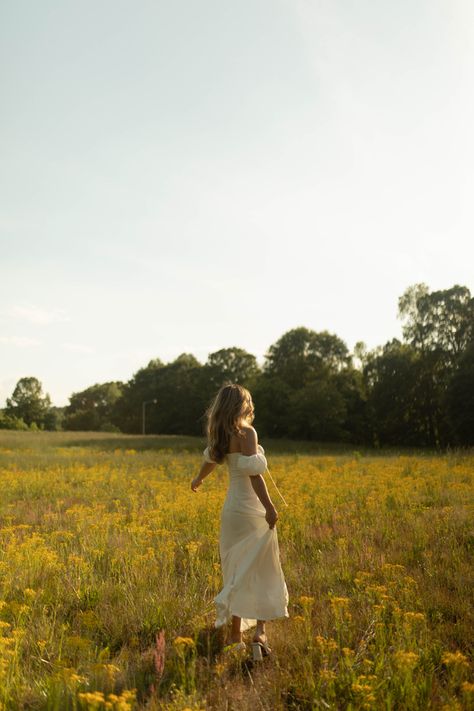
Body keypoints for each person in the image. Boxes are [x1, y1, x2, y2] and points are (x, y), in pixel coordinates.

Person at [191, 382, 289, 659]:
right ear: (242, 406)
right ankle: (259, 633)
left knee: (236, 569)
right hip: (251, 510)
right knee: (263, 567)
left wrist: (199, 478)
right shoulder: (247, 433)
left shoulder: (220, 434)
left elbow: (211, 460)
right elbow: (254, 475)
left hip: (231, 511)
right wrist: (270, 507)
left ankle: (235, 636)